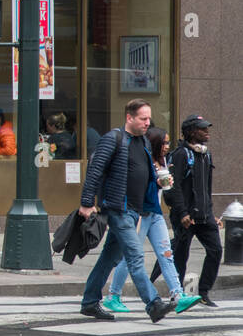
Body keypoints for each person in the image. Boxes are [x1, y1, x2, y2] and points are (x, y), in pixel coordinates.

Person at [76, 99, 175, 323]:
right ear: (129, 118)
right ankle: (154, 304)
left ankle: (90, 302)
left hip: (134, 210)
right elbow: (94, 171)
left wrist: (158, 183)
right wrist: (86, 202)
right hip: (118, 209)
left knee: (109, 258)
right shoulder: (114, 139)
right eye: (143, 118)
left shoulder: (144, 143)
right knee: (135, 256)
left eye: (149, 118)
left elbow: (144, 174)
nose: (147, 123)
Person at [104, 126, 201, 315]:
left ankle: (178, 295)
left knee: (166, 254)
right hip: (140, 213)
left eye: (168, 142)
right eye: (164, 142)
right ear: (155, 142)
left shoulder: (163, 160)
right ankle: (113, 296)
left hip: (155, 213)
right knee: (131, 256)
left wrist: (165, 181)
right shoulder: (144, 159)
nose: (167, 146)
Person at [163, 114, 224, 307]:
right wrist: (182, 213)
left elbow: (207, 188)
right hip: (186, 217)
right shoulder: (181, 154)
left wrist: (211, 212)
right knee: (181, 255)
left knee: (215, 251)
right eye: (202, 129)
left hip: (204, 216)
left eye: (207, 128)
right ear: (190, 132)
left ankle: (203, 292)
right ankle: (178, 294)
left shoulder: (206, 154)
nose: (207, 132)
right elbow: (175, 187)